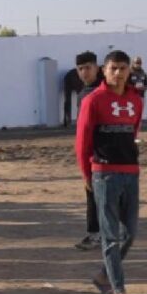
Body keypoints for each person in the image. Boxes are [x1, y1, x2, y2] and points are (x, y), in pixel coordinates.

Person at [76, 51, 144, 294]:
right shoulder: (93, 100)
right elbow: (82, 141)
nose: (118, 73)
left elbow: (134, 131)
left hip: (130, 172)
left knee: (130, 232)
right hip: (103, 173)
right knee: (110, 235)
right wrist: (87, 174)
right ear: (104, 70)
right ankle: (118, 289)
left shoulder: (136, 100)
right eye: (113, 68)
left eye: (123, 68)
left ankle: (103, 273)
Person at [66, 52, 103, 250]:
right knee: (91, 192)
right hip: (91, 152)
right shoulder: (83, 94)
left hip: (106, 152)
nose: (84, 72)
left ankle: (107, 234)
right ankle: (95, 233)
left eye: (88, 67)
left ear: (97, 67)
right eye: (80, 69)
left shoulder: (105, 90)